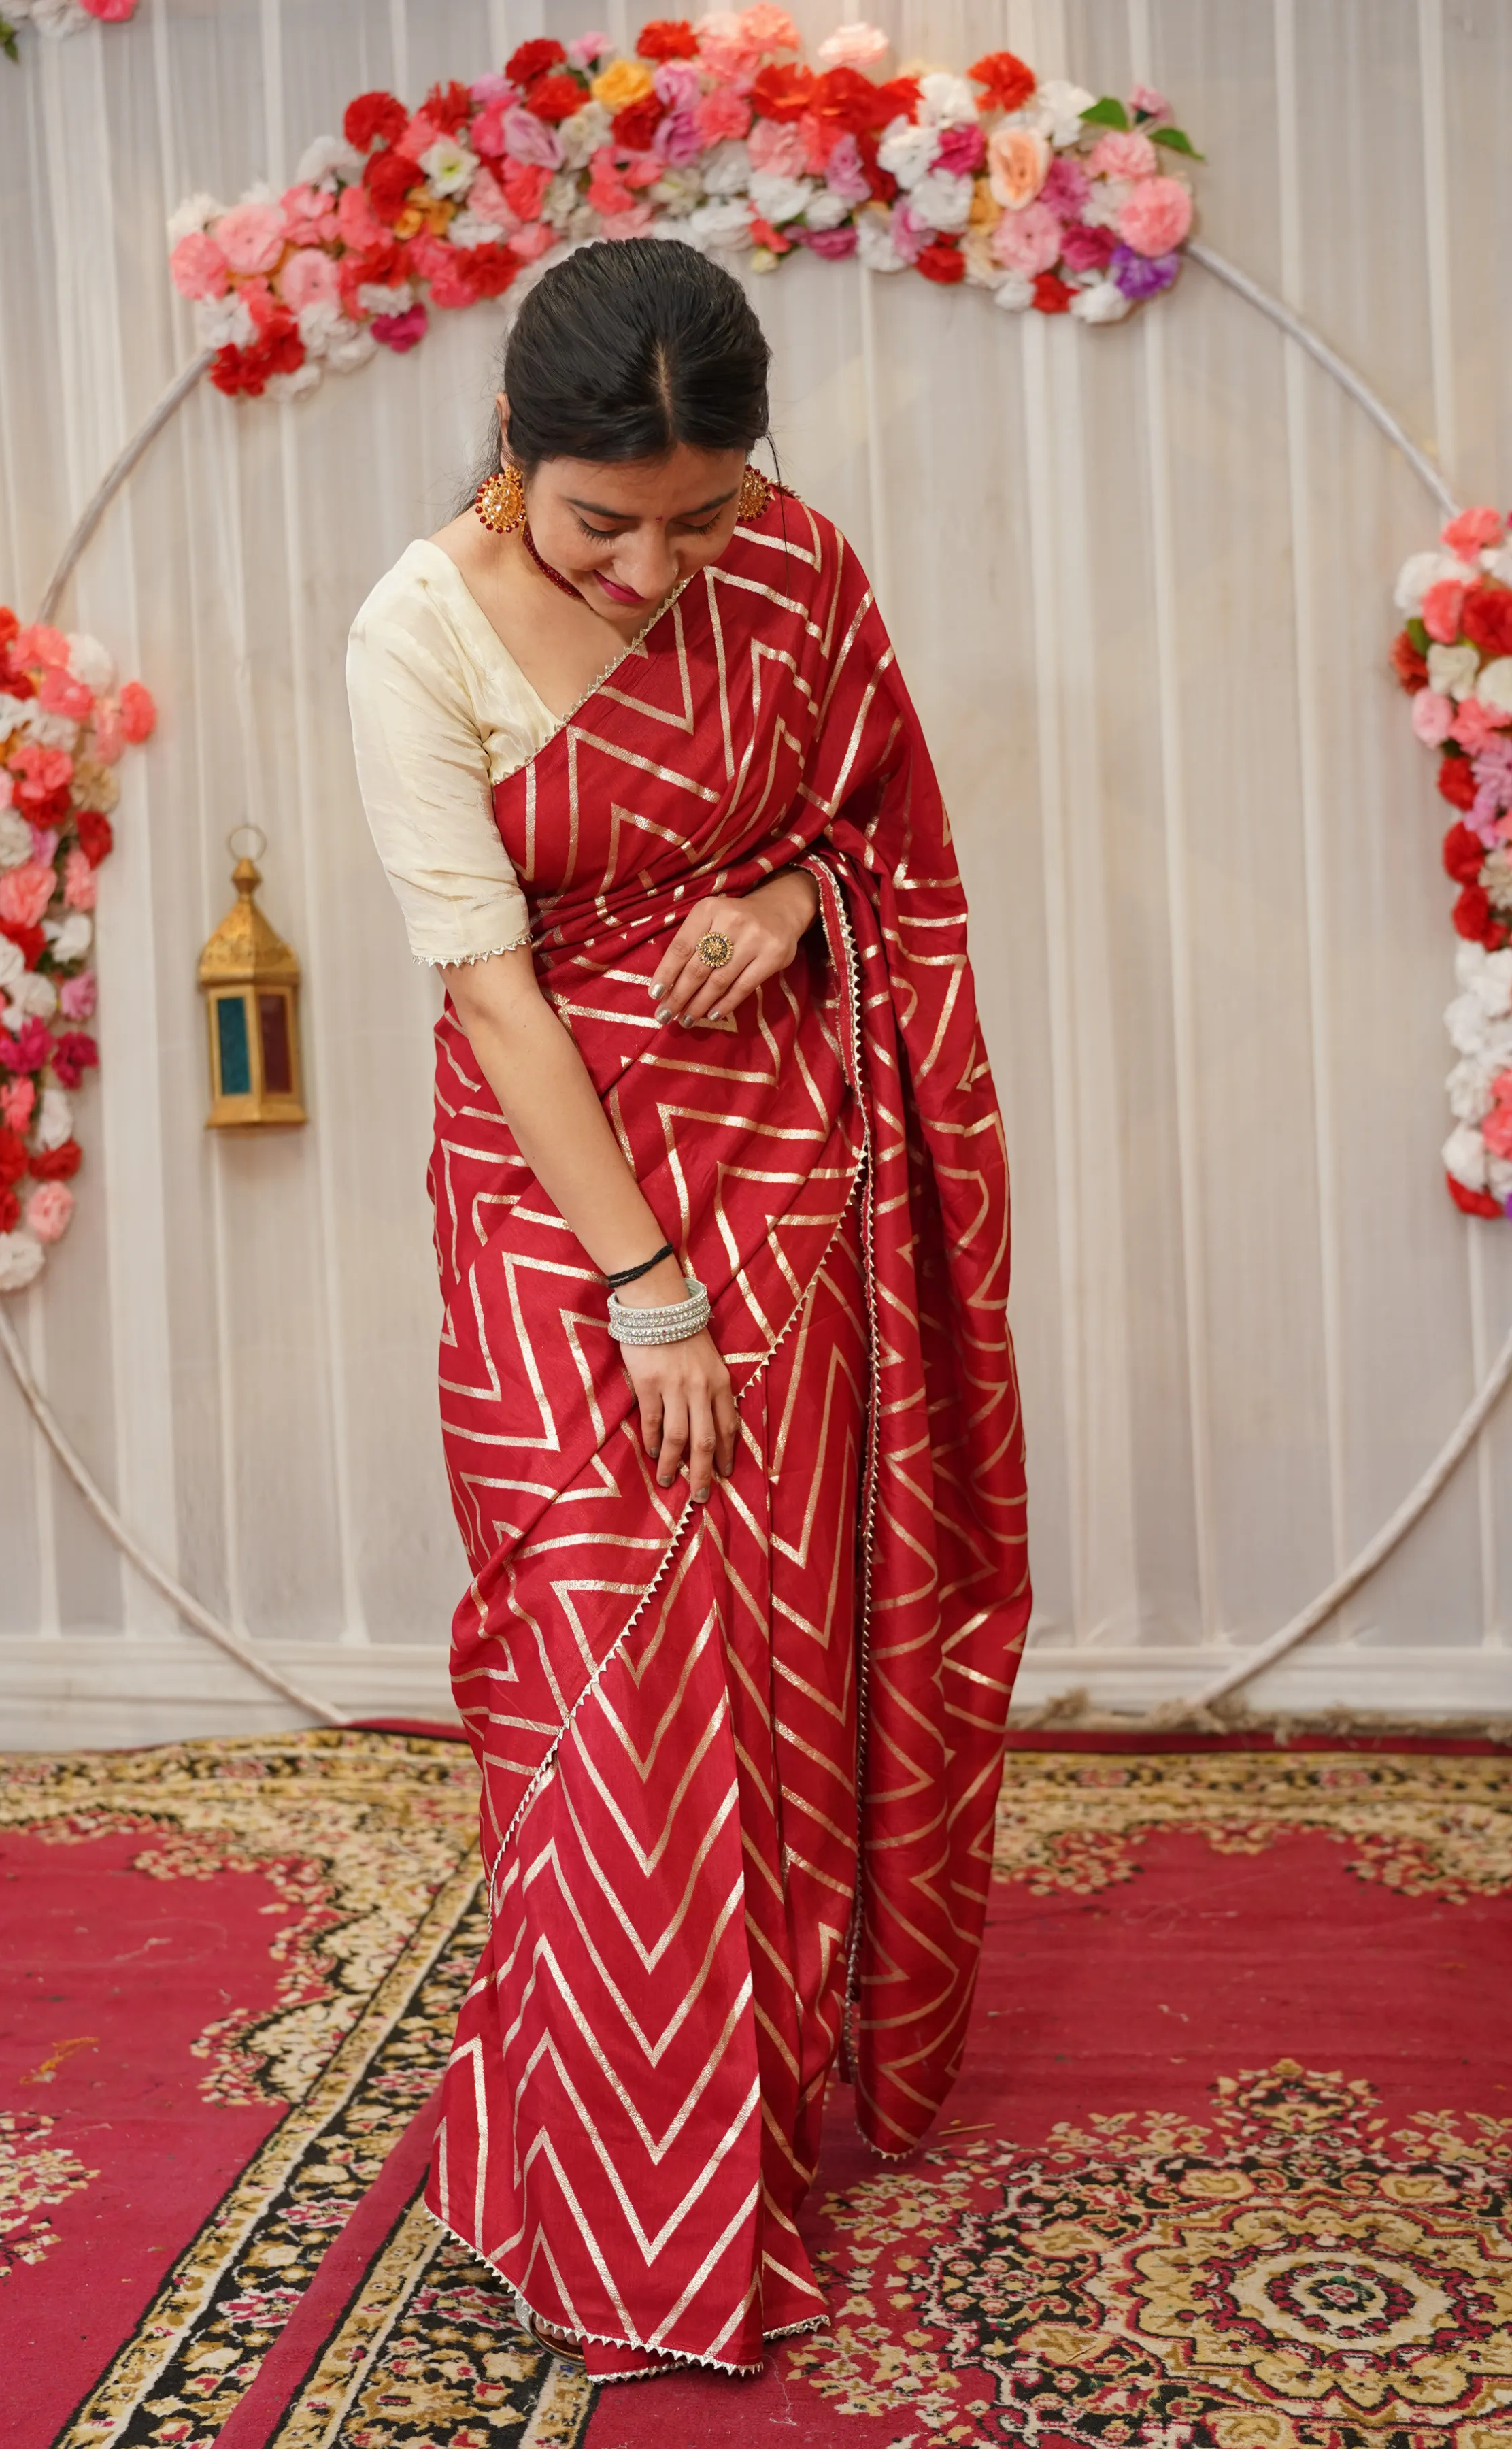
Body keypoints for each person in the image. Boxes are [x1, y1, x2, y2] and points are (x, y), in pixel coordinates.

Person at [346, 236, 1029, 2383]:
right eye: (604, 522)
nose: (658, 566)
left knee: (759, 1640)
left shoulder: (796, 571)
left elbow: (878, 827)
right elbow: (489, 984)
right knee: (609, 1649)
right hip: (563, 1189)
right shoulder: (417, 628)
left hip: (787, 1152)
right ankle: (627, 2205)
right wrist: (642, 1287)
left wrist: (779, 892)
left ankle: (726, 2146)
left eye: (703, 515)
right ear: (511, 457)